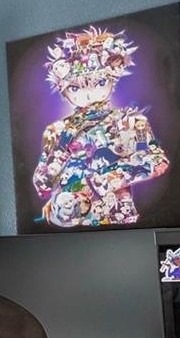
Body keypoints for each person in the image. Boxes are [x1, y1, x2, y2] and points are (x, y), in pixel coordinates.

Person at [32, 27, 170, 227]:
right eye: (75, 87)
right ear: (63, 90)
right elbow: (42, 186)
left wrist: (101, 182)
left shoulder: (129, 120)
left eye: (99, 82)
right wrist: (60, 151)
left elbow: (156, 160)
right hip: (66, 225)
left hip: (115, 220)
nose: (88, 93)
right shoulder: (57, 130)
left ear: (112, 79)